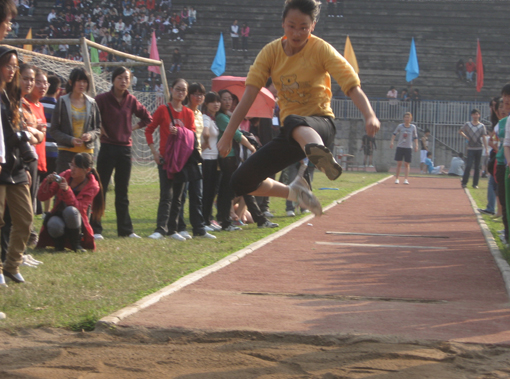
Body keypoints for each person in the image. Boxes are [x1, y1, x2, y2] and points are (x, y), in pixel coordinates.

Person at [217, 0, 379, 216]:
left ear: (312, 26)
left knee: (295, 120)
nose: (297, 33)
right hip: (291, 134)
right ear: (283, 23)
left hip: (321, 125)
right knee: (240, 181)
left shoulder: (321, 49)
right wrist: (228, 135)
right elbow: (248, 97)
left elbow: (351, 86)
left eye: (303, 27)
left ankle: (320, 154)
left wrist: (369, 115)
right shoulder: (271, 53)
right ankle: (295, 192)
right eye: (292, 26)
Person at [92, 67, 152, 240]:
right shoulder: (102, 99)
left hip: (125, 149)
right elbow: (91, 113)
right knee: (100, 188)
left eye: (127, 78)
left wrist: (132, 127)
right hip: (107, 148)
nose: (124, 81)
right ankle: (95, 228)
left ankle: (125, 230)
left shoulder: (131, 100)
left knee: (122, 191)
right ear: (113, 80)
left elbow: (148, 118)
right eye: (120, 78)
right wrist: (100, 127)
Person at [145, 79, 200, 241]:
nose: (180, 92)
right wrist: (154, 152)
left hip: (182, 160)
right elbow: (149, 130)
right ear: (171, 90)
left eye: (184, 90)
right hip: (165, 159)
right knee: (166, 195)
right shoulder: (163, 109)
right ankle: (160, 229)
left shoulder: (188, 113)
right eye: (178, 89)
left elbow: (192, 135)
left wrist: (180, 131)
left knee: (178, 196)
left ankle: (173, 229)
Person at [0, 46, 36, 285]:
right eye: (9, 65)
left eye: (15, 66)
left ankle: (12, 266)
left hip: (16, 167)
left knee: (25, 219)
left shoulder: (11, 95)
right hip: (1, 166)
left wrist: (27, 137)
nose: (12, 70)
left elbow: (14, 131)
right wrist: (27, 136)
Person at [37, 153, 104, 252]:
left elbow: (79, 208)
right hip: (59, 214)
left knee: (70, 211)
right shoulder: (65, 175)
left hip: (78, 219)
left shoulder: (93, 186)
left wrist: (67, 190)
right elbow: (42, 197)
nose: (72, 169)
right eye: (71, 165)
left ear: (87, 170)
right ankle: (59, 245)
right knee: (54, 224)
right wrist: (48, 182)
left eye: (76, 167)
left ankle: (76, 244)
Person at [216, 89, 261, 231]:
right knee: (226, 191)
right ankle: (225, 220)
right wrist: (251, 147)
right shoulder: (221, 118)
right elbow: (236, 134)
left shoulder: (227, 116)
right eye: (224, 99)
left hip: (232, 157)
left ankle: (227, 220)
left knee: (229, 191)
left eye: (230, 99)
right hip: (227, 157)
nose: (228, 102)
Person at [178, 82, 216, 239]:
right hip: (183, 158)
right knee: (182, 195)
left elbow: (198, 136)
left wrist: (203, 144)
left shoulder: (200, 114)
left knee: (197, 194)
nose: (198, 97)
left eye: (201, 94)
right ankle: (179, 227)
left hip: (197, 158)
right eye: (195, 94)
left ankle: (199, 228)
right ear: (189, 96)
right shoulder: (184, 112)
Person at [49, 67, 101, 174]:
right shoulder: (62, 102)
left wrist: (90, 135)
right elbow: (54, 130)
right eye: (79, 81)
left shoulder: (92, 103)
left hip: (86, 154)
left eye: (84, 81)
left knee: (85, 187)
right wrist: (70, 139)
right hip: (66, 154)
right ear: (71, 82)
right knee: (64, 186)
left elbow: (98, 129)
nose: (82, 84)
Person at [201, 91, 222, 231]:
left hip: (214, 159)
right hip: (206, 158)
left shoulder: (214, 119)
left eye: (217, 101)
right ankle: (204, 220)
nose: (216, 104)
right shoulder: (205, 118)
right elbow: (205, 132)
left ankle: (208, 218)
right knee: (207, 191)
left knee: (212, 190)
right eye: (212, 101)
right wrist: (206, 140)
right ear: (206, 104)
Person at [39, 75, 60, 214]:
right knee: (50, 179)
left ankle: (36, 207)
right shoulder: (59, 106)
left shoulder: (38, 104)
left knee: (39, 179)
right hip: (53, 149)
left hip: (40, 148)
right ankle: (47, 210)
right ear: (58, 89)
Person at [459, 108, 488, 189]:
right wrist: (466, 137)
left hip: (479, 148)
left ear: (479, 115)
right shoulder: (467, 124)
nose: (475, 116)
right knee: (468, 165)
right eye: (474, 114)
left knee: (477, 167)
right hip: (470, 148)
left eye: (477, 114)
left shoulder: (482, 126)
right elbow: (460, 131)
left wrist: (486, 148)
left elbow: (484, 137)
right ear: (471, 115)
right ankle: (464, 182)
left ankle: (475, 184)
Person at [390, 112, 418, 185]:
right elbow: (394, 134)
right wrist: (392, 142)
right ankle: (397, 178)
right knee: (399, 163)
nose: (407, 119)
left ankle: (406, 179)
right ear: (403, 118)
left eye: (408, 117)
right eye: (405, 117)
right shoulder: (400, 126)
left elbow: (415, 137)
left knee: (406, 163)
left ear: (410, 118)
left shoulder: (413, 127)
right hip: (400, 146)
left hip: (408, 147)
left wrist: (416, 145)